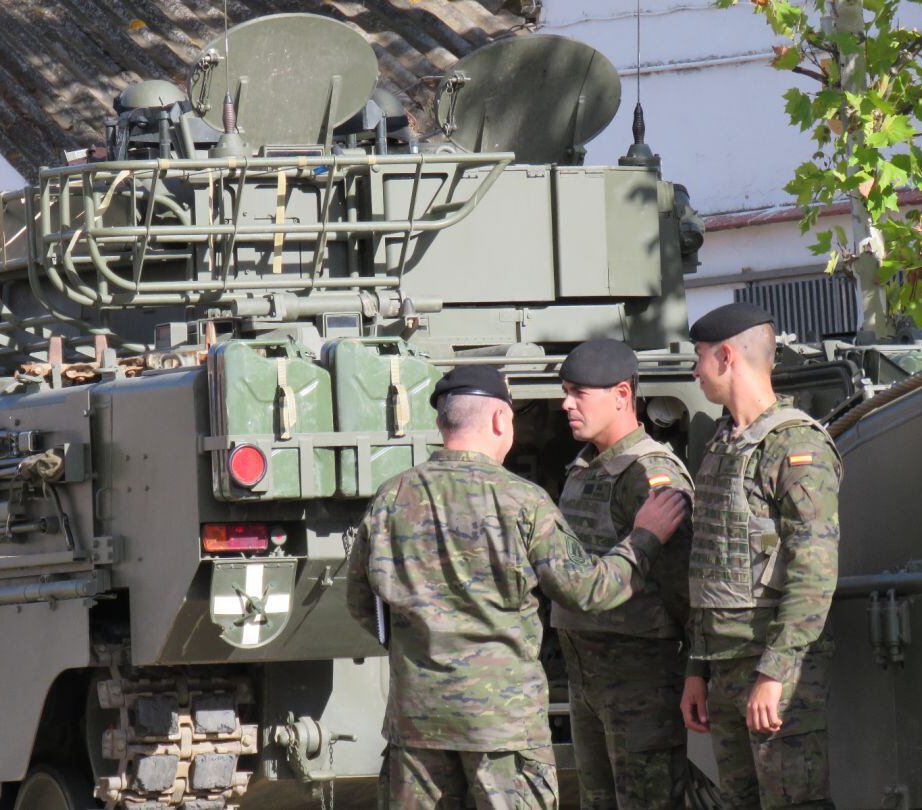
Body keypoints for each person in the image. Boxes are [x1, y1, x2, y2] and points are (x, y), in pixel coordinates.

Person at [346, 365, 687, 810]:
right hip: (502, 729)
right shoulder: (522, 501)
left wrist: (421, 643)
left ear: (441, 423)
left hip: (417, 722)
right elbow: (588, 591)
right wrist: (644, 538)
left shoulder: (391, 497)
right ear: (498, 421)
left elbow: (358, 600)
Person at [679, 303, 842, 809]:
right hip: (724, 667)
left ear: (726, 356)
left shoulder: (795, 446)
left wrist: (775, 674)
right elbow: (709, 564)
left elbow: (813, 574)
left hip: (774, 670)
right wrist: (697, 669)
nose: (694, 370)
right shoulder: (722, 446)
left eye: (700, 357)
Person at [553, 338, 694, 809]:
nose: (565, 403)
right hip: (588, 678)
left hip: (640, 680)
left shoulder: (649, 473)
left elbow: (683, 587)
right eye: (565, 391)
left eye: (578, 392)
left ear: (620, 395)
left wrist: (697, 669)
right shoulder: (585, 467)